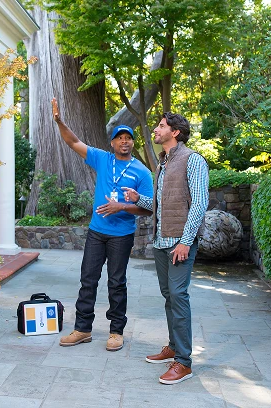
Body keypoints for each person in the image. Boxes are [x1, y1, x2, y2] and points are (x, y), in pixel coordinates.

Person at [52, 97, 153, 352]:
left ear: (132, 142)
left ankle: (116, 331)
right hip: (97, 232)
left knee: (116, 282)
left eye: (128, 138)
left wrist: (122, 207)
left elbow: (149, 208)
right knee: (88, 279)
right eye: (119, 137)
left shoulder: (142, 172)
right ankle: (83, 329)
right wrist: (60, 122)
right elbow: (73, 141)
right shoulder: (102, 159)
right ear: (112, 143)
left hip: (122, 234)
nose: (124, 141)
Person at [122, 112, 209, 384]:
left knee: (178, 295)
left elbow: (198, 203)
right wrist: (140, 199)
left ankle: (183, 362)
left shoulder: (192, 160)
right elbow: (164, 203)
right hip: (161, 242)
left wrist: (185, 241)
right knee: (169, 295)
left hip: (179, 243)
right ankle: (173, 346)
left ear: (175, 132)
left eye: (161, 126)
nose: (156, 130)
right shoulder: (163, 163)